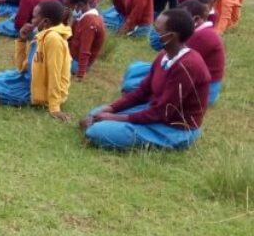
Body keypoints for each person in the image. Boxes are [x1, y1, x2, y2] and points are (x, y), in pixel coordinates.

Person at [81, 9, 211, 150]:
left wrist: (115, 117)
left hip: (173, 128)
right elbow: (142, 92)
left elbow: (162, 112)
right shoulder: (164, 55)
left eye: (157, 30)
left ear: (171, 36)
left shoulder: (188, 66)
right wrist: (111, 108)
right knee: (95, 114)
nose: (153, 33)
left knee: (97, 131)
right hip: (153, 111)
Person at [0, 0, 72, 121]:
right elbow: (21, 67)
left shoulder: (53, 39)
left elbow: (55, 74)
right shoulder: (41, 34)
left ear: (45, 22)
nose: (31, 20)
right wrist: (21, 40)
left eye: (34, 17)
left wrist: (54, 107)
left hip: (38, 89)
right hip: (27, 79)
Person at [122, 0, 224, 105]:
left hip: (203, 90)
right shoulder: (200, 33)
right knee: (136, 68)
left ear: (196, 19)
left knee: (135, 83)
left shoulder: (204, 36)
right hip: (184, 75)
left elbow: (177, 65)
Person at [64, 0, 105, 80]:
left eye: (70, 6)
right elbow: (71, 36)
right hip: (73, 56)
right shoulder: (83, 17)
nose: (69, 9)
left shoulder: (89, 22)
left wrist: (80, 73)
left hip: (77, 63)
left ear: (79, 5)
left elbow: (85, 50)